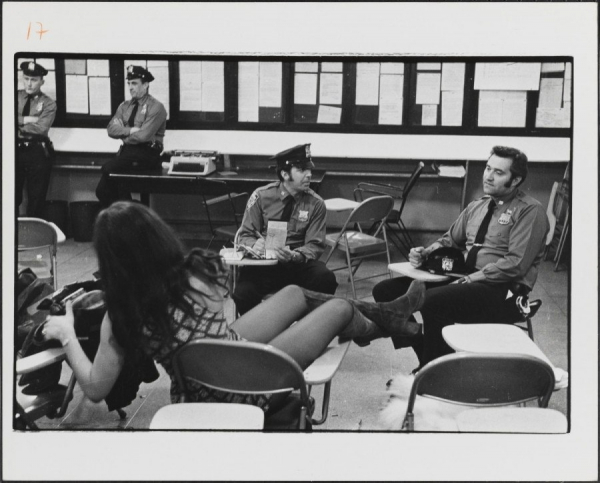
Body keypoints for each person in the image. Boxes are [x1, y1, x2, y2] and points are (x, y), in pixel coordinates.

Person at [42, 201, 425, 414]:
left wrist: (66, 332)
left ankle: (392, 318)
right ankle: (393, 322)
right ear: (157, 235)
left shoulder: (121, 315)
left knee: (293, 292)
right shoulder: (197, 269)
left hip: (202, 387)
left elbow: (94, 388)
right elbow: (217, 305)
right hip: (250, 380)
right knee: (338, 306)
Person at [371, 146, 550, 369]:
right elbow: (449, 240)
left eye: (498, 172)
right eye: (487, 168)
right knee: (385, 291)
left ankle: (438, 370)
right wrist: (426, 253)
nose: (488, 176)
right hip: (465, 279)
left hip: (503, 291)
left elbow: (515, 264)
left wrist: (472, 279)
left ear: (515, 180)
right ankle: (429, 358)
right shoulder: (478, 205)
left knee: (432, 300)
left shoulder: (530, 211)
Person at [232, 143, 338, 315]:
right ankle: (256, 334)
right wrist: (254, 245)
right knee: (243, 293)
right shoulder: (261, 196)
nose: (309, 174)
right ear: (285, 174)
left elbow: (315, 245)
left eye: (309, 170)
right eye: (302, 170)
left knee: (325, 279)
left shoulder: (316, 203)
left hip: (296, 263)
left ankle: (306, 328)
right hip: (264, 265)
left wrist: (296, 255)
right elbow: (244, 235)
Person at [96, 65, 167, 208]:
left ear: (146, 85)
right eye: (129, 83)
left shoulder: (156, 107)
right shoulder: (125, 106)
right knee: (102, 190)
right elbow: (110, 129)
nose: (130, 87)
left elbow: (143, 137)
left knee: (107, 168)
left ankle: (130, 214)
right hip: (128, 153)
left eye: (134, 83)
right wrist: (130, 131)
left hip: (147, 153)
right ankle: (128, 214)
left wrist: (123, 136)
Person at [16, 61, 57, 218]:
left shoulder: (48, 103)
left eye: (34, 80)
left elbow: (41, 128)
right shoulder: (14, 96)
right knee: (11, 194)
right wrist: (27, 119)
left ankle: (33, 238)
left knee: (36, 198)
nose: (29, 83)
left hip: (37, 151)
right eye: (26, 78)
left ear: (42, 81)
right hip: (15, 149)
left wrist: (16, 123)